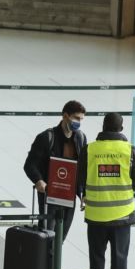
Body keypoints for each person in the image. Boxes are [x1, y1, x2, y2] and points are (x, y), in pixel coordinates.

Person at [76, 112, 135, 269]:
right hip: (122, 215)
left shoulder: (89, 150)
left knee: (96, 256)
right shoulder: (131, 151)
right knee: (120, 256)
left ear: (104, 126)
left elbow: (79, 179)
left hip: (96, 215)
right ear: (121, 129)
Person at [24, 100, 87, 239]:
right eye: (76, 118)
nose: (79, 122)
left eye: (81, 119)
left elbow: (82, 169)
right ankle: (46, 261)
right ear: (65, 116)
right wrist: (38, 180)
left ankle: (54, 260)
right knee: (46, 238)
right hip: (49, 197)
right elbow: (29, 165)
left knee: (60, 239)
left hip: (69, 198)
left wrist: (83, 192)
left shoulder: (81, 139)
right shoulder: (46, 137)